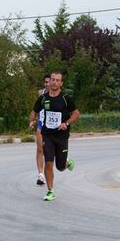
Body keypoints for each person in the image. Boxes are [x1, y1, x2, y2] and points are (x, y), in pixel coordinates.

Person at [29, 72, 80, 201]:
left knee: (60, 167)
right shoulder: (43, 98)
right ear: (49, 81)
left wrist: (66, 123)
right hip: (48, 135)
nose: (54, 82)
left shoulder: (65, 98)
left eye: (58, 80)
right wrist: (31, 121)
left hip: (62, 136)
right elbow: (34, 112)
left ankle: (67, 162)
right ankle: (50, 191)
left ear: (61, 83)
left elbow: (76, 114)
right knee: (49, 163)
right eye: (53, 80)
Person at [35, 74, 51, 185]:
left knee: (51, 150)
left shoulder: (59, 95)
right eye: (45, 82)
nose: (47, 84)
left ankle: (64, 160)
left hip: (53, 126)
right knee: (40, 149)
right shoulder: (41, 93)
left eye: (49, 81)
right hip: (41, 123)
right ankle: (41, 175)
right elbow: (36, 107)